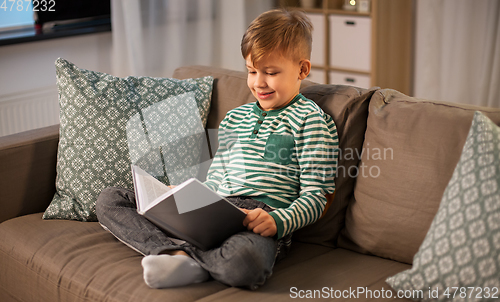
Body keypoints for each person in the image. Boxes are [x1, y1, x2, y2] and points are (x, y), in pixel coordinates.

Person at [96, 8, 338, 290]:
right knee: (110, 199)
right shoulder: (235, 118)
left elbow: (318, 196)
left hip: (257, 220)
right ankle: (176, 254)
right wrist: (184, 195)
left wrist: (278, 221)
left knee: (245, 263)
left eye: (271, 73)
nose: (259, 82)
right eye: (252, 71)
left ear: (302, 69)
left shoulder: (311, 120)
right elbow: (217, 177)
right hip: (214, 208)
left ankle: (183, 259)